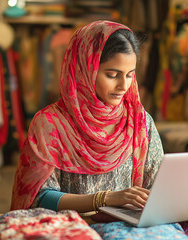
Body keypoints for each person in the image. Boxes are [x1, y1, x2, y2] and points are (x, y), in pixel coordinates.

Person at [10, 20, 164, 213]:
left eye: (129, 75)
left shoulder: (139, 122)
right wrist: (105, 199)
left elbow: (158, 190)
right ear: (85, 70)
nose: (123, 86)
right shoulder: (50, 124)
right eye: (112, 75)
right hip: (71, 228)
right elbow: (39, 197)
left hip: (126, 229)